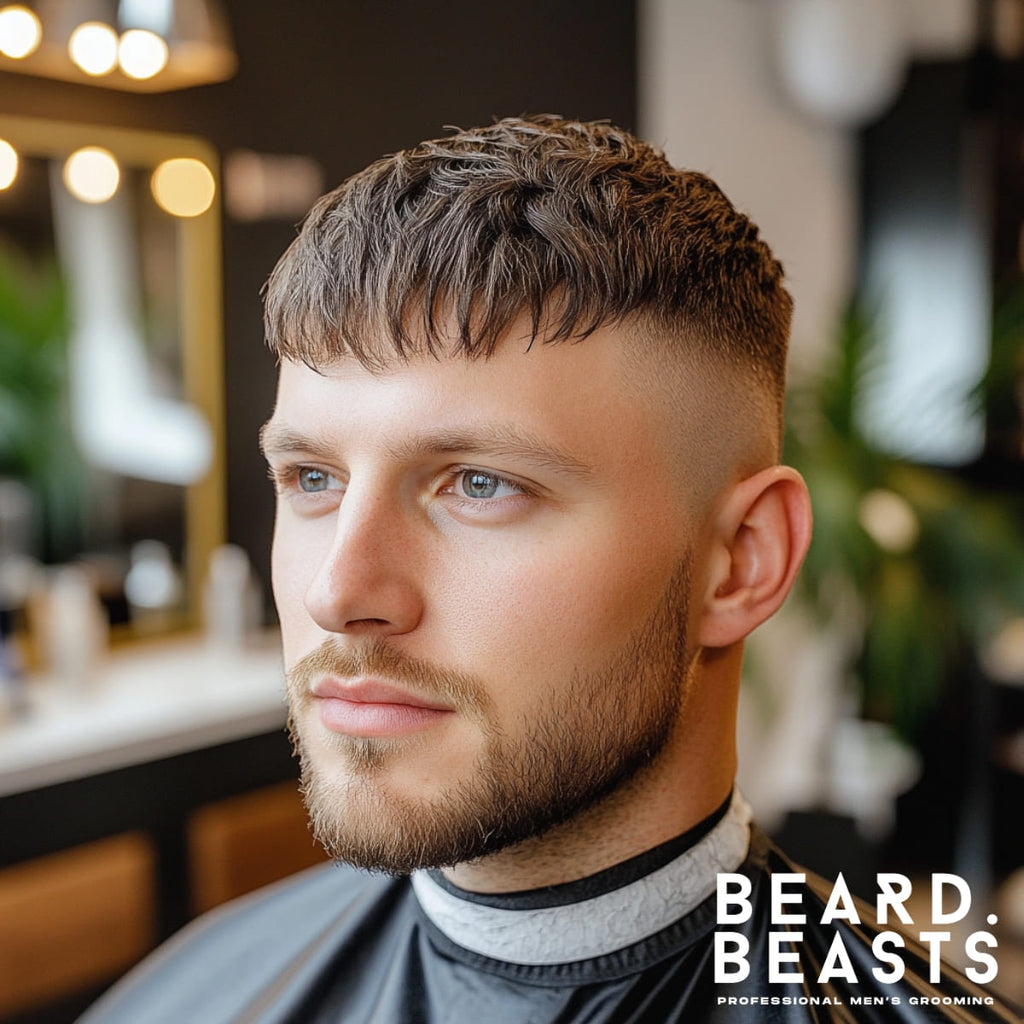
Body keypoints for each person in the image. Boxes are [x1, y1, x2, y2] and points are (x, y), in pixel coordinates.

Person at [81, 116, 1017, 1023]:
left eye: (481, 483)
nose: (338, 592)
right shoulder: (193, 988)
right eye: (313, 478)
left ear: (741, 564)